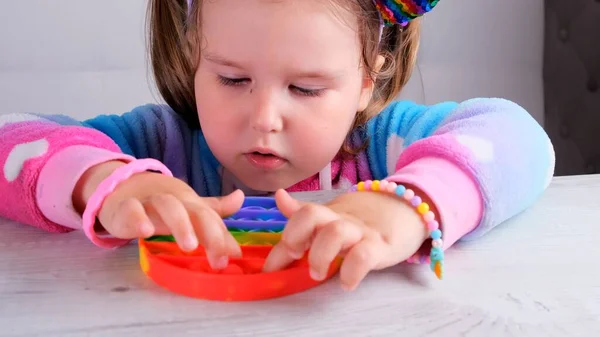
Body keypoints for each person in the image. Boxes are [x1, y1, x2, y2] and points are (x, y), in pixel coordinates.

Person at [0, 0, 554, 291]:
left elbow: (520, 138)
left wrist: (403, 203)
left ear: (367, 80)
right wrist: (106, 182)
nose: (264, 119)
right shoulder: (159, 146)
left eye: (306, 88)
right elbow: (11, 138)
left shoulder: (388, 144)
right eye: (232, 80)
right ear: (194, 58)